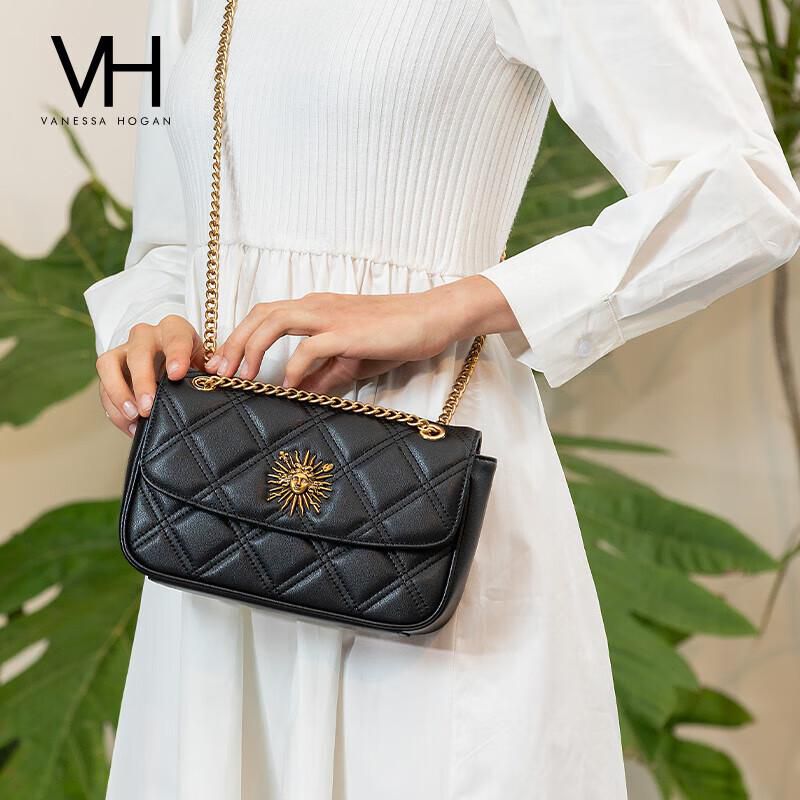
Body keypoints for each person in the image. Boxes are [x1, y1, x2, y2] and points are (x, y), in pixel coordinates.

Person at [84, 1, 800, 798]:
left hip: (421, 499)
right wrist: (148, 327)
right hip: (218, 518)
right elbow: (171, 240)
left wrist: (444, 307)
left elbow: (743, 192)